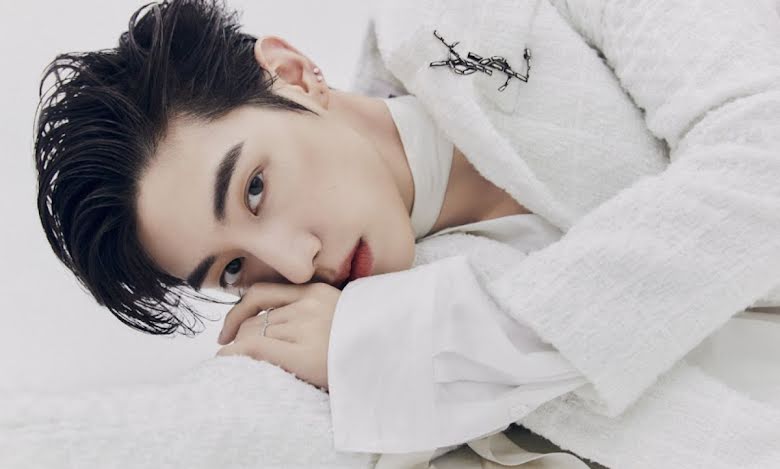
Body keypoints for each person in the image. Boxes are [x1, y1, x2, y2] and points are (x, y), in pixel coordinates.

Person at [32, 0, 780, 467]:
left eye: (255, 188)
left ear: (292, 73)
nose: (296, 262)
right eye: (231, 270)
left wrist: (417, 342)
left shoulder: (490, 20)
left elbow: (764, 149)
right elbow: (242, 429)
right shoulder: (358, 318)